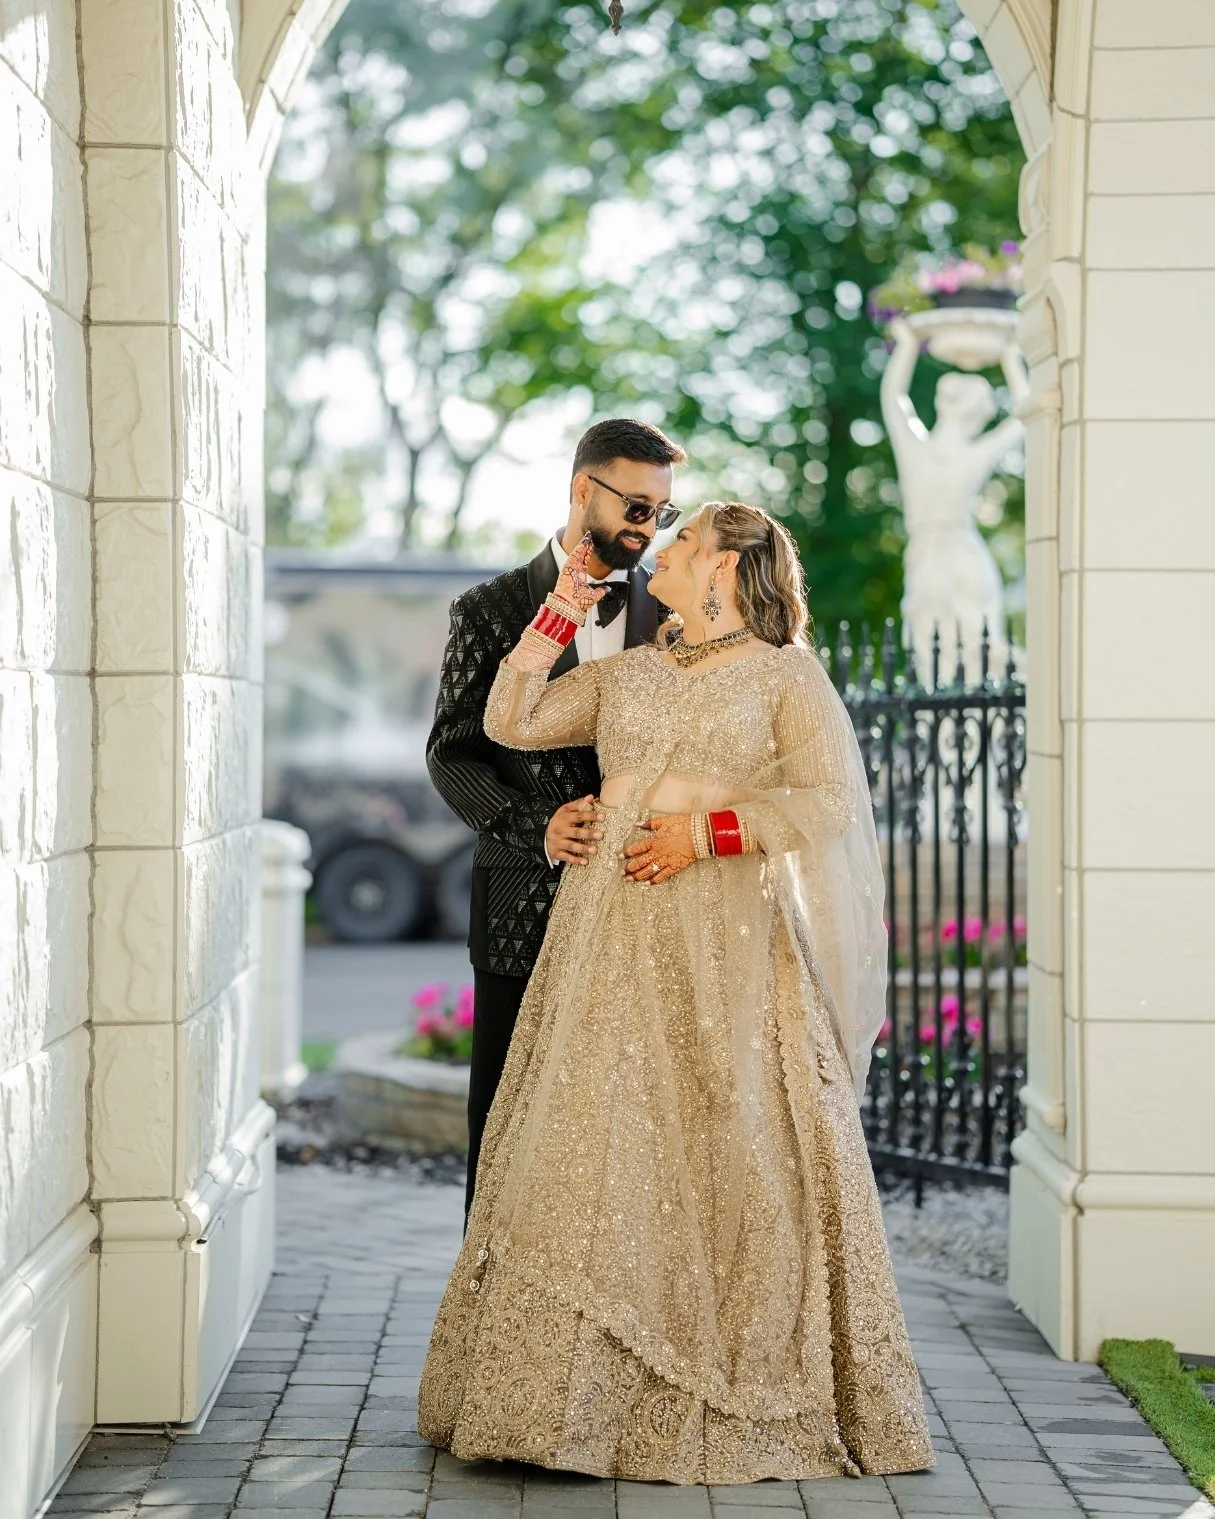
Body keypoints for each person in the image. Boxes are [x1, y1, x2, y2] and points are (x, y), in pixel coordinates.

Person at [418, 502, 933, 1484]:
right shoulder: (633, 669)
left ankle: (719, 1378)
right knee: (589, 1138)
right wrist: (562, 613)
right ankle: (557, 1401)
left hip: (725, 941)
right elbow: (511, 718)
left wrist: (706, 834)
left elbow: (828, 801)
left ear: (734, 568)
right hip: (604, 932)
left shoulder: (788, 675)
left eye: (690, 538)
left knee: (727, 1130)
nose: (671, 549)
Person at [427, 418, 687, 1221]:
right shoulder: (490, 607)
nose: (648, 528)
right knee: (508, 1129)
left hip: (644, 910)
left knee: (629, 1137)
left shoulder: (677, 618)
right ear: (583, 489)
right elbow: (450, 752)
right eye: (636, 508)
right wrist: (531, 823)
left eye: (662, 514)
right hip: (521, 909)